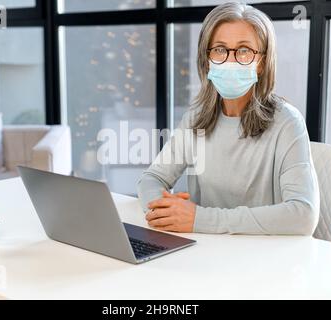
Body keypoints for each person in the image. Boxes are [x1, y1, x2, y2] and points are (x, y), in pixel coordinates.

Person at [137, 2, 320, 235]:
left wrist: (199, 219)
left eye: (244, 50)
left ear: (262, 63)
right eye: (220, 49)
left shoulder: (287, 122)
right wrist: (163, 211)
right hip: (205, 253)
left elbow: (303, 215)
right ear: (208, 58)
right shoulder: (196, 118)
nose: (231, 60)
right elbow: (151, 179)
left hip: (263, 260)